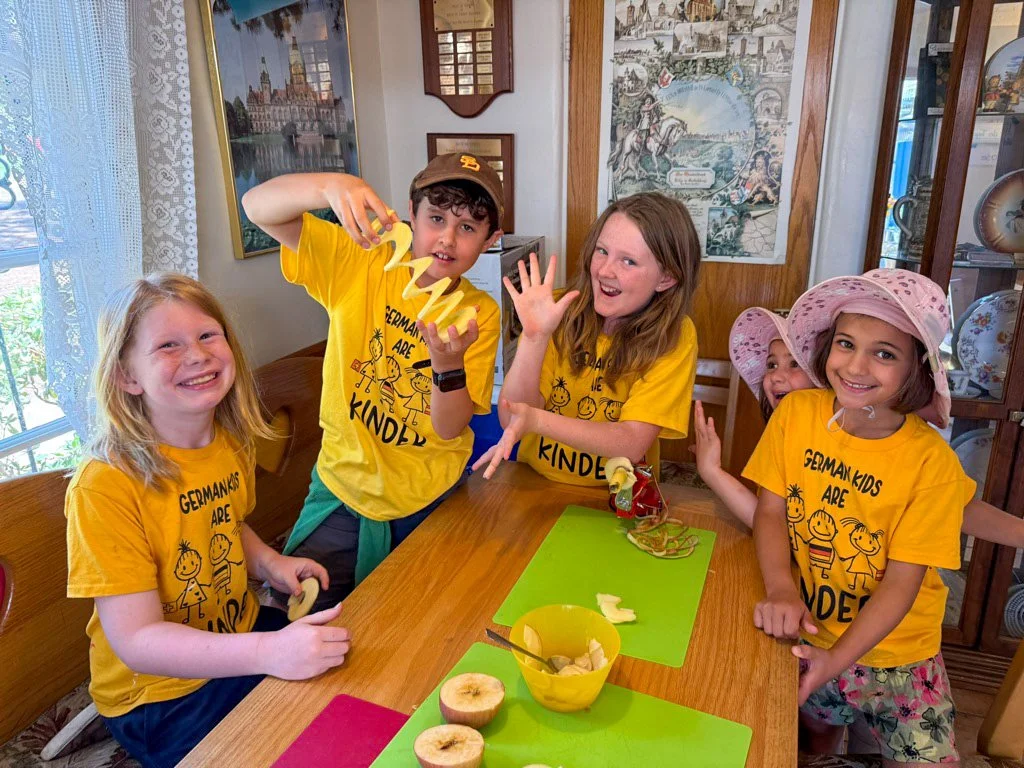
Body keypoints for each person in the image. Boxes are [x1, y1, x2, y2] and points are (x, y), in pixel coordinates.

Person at [65, 274, 350, 768]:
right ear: (127, 377)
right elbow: (138, 641)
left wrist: (271, 564)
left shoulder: (228, 440)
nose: (196, 355)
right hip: (159, 695)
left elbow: (226, 524)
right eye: (168, 345)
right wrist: (269, 653)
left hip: (235, 631)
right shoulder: (105, 486)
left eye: (206, 335)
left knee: (345, 673)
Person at [241, 153, 503, 609]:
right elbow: (257, 207)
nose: (447, 238)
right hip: (342, 488)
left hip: (425, 498)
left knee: (413, 620)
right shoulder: (359, 261)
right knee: (301, 611)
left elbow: (449, 427)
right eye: (436, 218)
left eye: (467, 227)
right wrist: (329, 185)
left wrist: (447, 366)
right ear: (411, 214)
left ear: (490, 240)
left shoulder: (478, 313)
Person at [742, 269, 972, 765]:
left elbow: (903, 582)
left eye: (884, 354)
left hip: (902, 659)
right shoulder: (796, 414)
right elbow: (770, 510)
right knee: (810, 749)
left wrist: (836, 660)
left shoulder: (932, 463)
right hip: (811, 636)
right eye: (846, 343)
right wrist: (780, 587)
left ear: (916, 368)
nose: (856, 365)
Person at [473, 192, 700, 485]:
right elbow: (511, 417)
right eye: (602, 251)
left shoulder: (675, 335)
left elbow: (631, 442)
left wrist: (537, 420)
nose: (605, 270)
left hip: (619, 495)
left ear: (666, 278)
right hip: (535, 483)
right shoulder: (556, 311)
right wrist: (533, 338)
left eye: (629, 261)